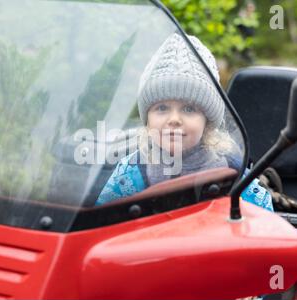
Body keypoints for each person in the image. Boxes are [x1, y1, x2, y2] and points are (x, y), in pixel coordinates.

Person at [95, 32, 273, 212]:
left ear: (208, 121)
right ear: (147, 118)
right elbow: (100, 223)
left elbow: (264, 223)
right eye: (162, 108)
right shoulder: (131, 173)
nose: (174, 119)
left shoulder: (231, 172)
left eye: (189, 109)